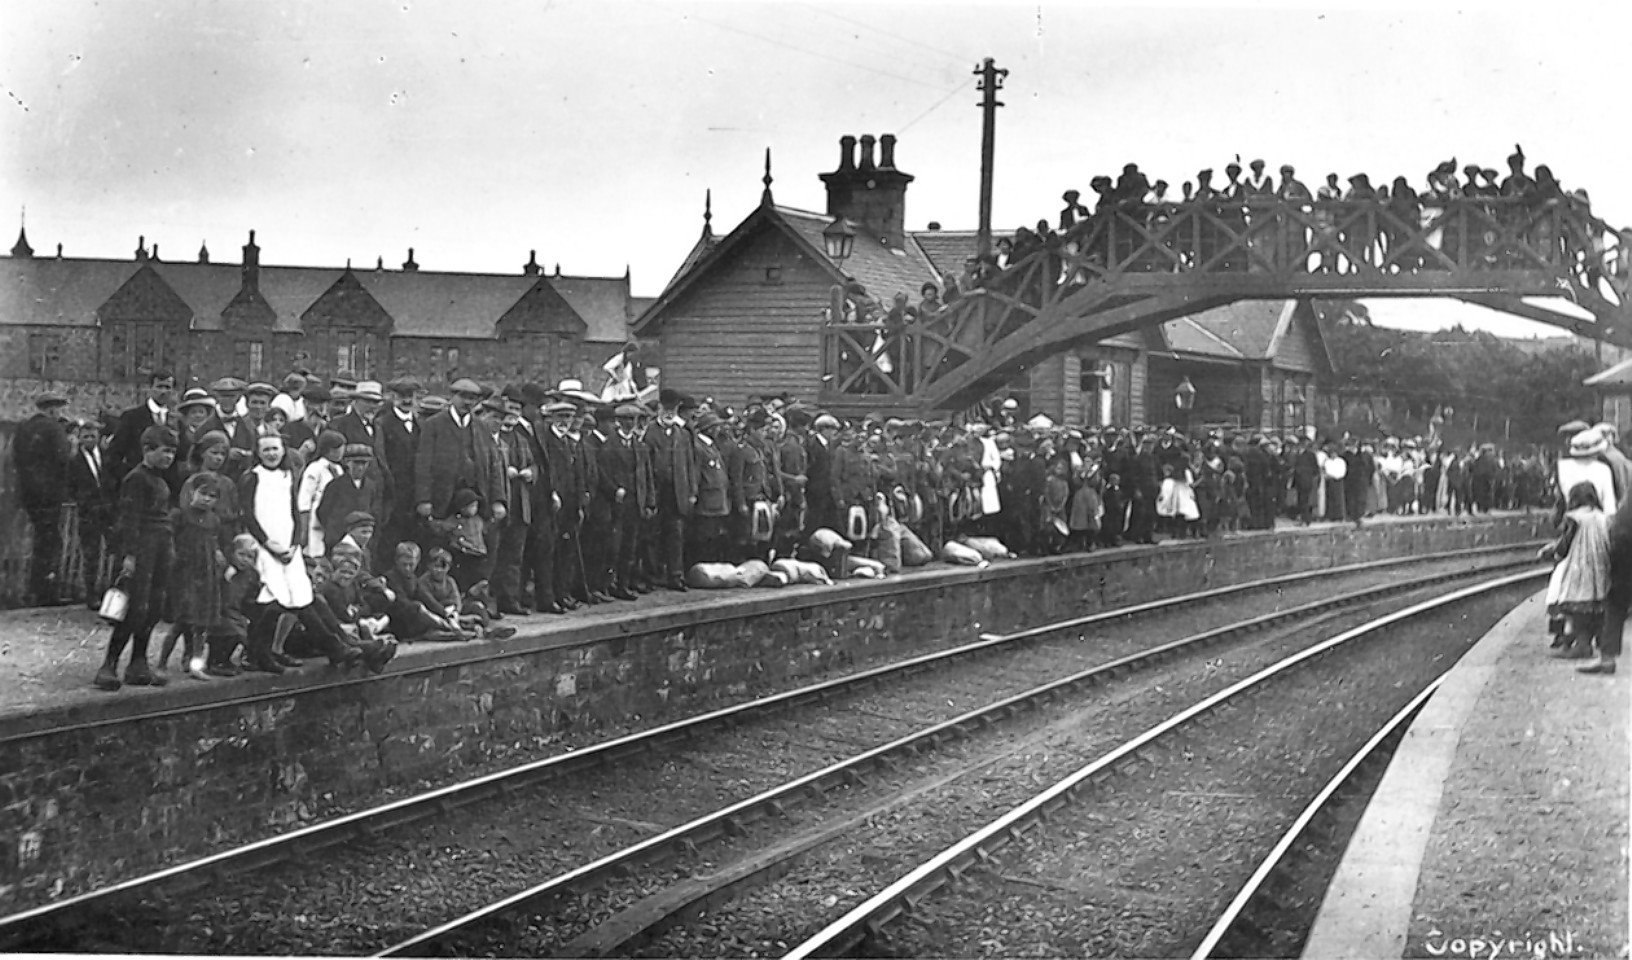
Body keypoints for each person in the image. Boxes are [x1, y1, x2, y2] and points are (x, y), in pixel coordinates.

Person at [94, 426, 178, 691]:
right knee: (135, 608)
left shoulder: (162, 481)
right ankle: (109, 664)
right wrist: (129, 555)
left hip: (162, 548)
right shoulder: (136, 479)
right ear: (147, 450)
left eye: (173, 453)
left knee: (154, 607)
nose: (169, 458)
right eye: (164, 452)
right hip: (142, 548)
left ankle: (138, 663)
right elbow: (128, 520)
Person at [158, 472, 231, 681]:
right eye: (203, 493)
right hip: (185, 574)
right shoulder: (180, 515)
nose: (207, 499)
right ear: (193, 492)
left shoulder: (213, 520)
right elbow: (169, 538)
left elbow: (214, 540)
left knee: (201, 624)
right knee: (182, 621)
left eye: (212, 496)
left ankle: (194, 663)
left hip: (206, 575)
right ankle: (162, 662)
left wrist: (217, 553)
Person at [1541, 482, 1612, 662]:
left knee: (1577, 605)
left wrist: (1552, 552)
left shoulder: (1574, 518)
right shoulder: (1603, 517)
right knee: (1596, 606)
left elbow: (1564, 545)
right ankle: (1598, 643)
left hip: (1579, 566)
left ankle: (1582, 645)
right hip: (1600, 566)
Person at [15, 392, 72, 605]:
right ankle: (47, 592)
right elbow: (63, 458)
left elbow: (17, 458)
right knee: (51, 541)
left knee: (40, 539)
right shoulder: (53, 428)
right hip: (50, 495)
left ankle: (35, 589)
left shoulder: (23, 429)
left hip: (29, 494)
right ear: (52, 409)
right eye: (59, 409)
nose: (59, 414)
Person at [67, 418, 118, 609]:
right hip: (88, 512)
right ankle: (91, 594)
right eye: (85, 436)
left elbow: (113, 480)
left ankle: (113, 592)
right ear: (79, 438)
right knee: (91, 554)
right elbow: (70, 486)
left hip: (109, 510)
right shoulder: (74, 461)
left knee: (116, 549)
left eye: (93, 436)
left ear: (99, 437)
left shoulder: (107, 457)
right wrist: (83, 501)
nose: (89, 439)